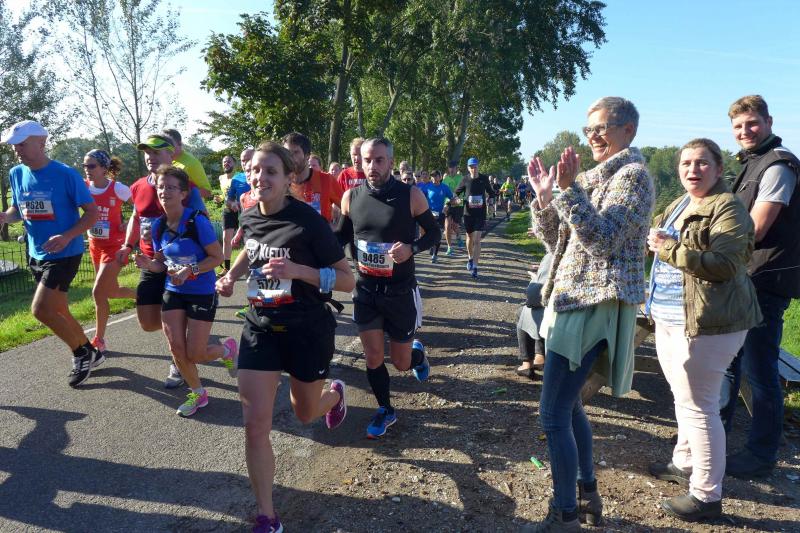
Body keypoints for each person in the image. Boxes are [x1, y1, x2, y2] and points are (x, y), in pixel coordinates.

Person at [524, 97, 653, 532]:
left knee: (553, 414)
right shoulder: (589, 178)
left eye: (602, 128)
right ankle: (586, 494)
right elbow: (558, 244)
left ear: (628, 130)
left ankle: (564, 515)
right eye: (589, 129)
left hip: (594, 306)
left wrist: (568, 192)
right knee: (568, 406)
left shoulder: (633, 177)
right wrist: (546, 200)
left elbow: (603, 241)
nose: (593, 136)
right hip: (570, 301)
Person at [215, 142, 355, 533]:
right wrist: (231, 276)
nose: (260, 177)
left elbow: (347, 281)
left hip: (306, 330)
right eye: (255, 170)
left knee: (305, 413)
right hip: (260, 327)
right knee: (254, 425)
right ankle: (267, 516)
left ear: (289, 178)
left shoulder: (308, 222)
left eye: (270, 171)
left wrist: (299, 271)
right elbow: (250, 248)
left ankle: (334, 395)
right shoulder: (248, 212)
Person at [645, 138, 761, 522]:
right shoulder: (680, 203)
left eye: (701, 163)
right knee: (684, 398)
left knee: (700, 406)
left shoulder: (727, 207)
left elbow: (725, 264)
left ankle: (707, 495)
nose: (692, 169)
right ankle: (684, 463)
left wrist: (667, 248)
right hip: (669, 317)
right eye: (686, 163)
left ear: (718, 168)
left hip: (708, 323)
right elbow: (660, 245)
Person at [337, 137, 441, 439]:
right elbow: (340, 237)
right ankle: (385, 409)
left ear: (391, 162)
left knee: (400, 362)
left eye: (379, 160)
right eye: (367, 160)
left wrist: (412, 248)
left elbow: (433, 233)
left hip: (400, 291)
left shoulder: (411, 195)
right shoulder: (350, 197)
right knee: (372, 357)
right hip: (366, 291)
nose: (372, 166)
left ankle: (417, 356)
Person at [720, 95, 800, 479]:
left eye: (752, 123)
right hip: (743, 278)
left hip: (764, 282)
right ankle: (711, 439)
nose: (744, 131)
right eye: (738, 126)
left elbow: (755, 228)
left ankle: (761, 455)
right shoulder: (752, 163)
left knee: (759, 371)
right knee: (727, 363)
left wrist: (701, 251)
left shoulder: (778, 165)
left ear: (769, 122)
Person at [0, 120, 100, 387]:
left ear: (41, 143)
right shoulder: (16, 173)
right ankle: (91, 350)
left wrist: (67, 236)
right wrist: (4, 217)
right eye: (14, 146)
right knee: (59, 310)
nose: (16, 150)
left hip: (65, 252)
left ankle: (81, 354)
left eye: (22, 144)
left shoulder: (66, 174)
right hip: (36, 253)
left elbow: (92, 213)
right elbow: (17, 210)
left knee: (41, 310)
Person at [134, 165, 234, 416]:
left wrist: (190, 270)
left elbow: (217, 257)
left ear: (183, 193)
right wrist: (149, 265)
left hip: (201, 291)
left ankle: (227, 350)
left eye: (171, 187)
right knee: (176, 348)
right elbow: (160, 263)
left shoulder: (196, 220)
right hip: (173, 290)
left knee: (196, 353)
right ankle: (198, 394)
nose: (164, 192)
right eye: (161, 187)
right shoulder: (158, 226)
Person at [116, 133, 206, 389]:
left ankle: (177, 358)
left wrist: (168, 232)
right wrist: (128, 244)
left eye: (156, 152)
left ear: (170, 154)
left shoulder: (184, 186)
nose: (150, 157)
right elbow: (136, 216)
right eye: (147, 152)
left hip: (179, 264)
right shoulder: (138, 186)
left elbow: (200, 221)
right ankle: (181, 342)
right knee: (147, 322)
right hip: (151, 261)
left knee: (172, 323)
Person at [83, 149, 135, 355]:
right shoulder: (83, 187)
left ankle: (99, 340)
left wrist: (128, 223)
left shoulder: (118, 188)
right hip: (95, 245)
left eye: (92, 166)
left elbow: (142, 206)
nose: (87, 169)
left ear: (104, 168)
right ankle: (148, 297)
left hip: (115, 247)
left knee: (98, 291)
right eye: (85, 166)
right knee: (111, 292)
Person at [283, 132, 343, 224]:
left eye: (295, 152)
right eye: (287, 153)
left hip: (321, 232)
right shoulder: (280, 183)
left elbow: (348, 209)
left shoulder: (326, 180)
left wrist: (338, 229)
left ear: (307, 155)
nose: (291, 157)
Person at [456, 157, 495, 279]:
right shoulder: (465, 179)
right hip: (468, 213)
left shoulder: (484, 179)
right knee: (469, 237)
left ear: (478, 166)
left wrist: (491, 201)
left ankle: (475, 267)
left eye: (475, 166)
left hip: (480, 213)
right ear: (468, 168)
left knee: (477, 240)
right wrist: (457, 199)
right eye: (471, 167)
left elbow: (491, 192)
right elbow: (456, 192)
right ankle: (470, 258)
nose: (473, 168)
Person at [516, 253, 552, 378]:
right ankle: (540, 356)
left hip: (559, 313)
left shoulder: (555, 254)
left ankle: (527, 363)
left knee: (523, 310)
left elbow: (534, 297)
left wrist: (534, 280)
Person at [162, 128, 212, 199]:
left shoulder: (191, 162)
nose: (167, 147)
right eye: (164, 144)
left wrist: (180, 194)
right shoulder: (164, 161)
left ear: (179, 143)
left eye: (170, 144)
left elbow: (207, 192)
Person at [423, 170, 453, 263]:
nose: (434, 178)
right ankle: (432, 245)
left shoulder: (444, 187)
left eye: (436, 176)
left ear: (440, 177)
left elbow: (452, 198)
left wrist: (447, 205)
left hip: (440, 214)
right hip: (429, 214)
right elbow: (420, 197)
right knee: (430, 233)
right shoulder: (427, 187)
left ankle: (435, 255)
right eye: (432, 176)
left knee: (438, 234)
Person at [218, 154, 237, 276]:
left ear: (235, 164)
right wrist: (220, 198)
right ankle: (227, 268)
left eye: (229, 161)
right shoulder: (221, 178)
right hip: (228, 211)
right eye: (224, 161)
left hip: (241, 210)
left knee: (249, 237)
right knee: (226, 239)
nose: (226, 163)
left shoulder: (240, 177)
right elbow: (224, 195)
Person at [442, 161, 464, 254]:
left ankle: (458, 235)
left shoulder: (461, 178)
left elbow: (464, 191)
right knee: (447, 226)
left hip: (458, 205)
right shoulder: (445, 180)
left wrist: (460, 200)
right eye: (450, 168)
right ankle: (449, 247)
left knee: (455, 226)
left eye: (453, 168)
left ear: (456, 168)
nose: (451, 170)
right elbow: (443, 193)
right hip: (448, 204)